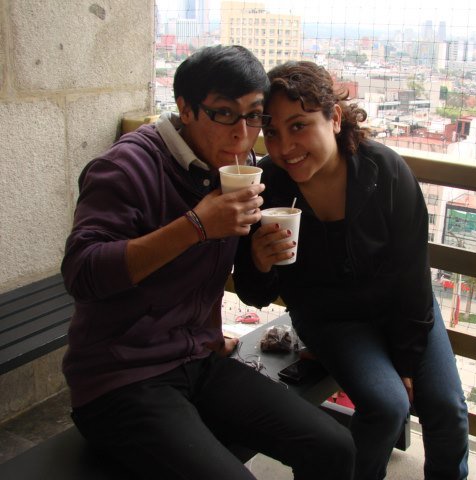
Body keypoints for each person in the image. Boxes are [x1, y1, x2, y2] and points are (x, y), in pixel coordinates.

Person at [61, 46, 355, 480]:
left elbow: (243, 284)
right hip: (120, 377)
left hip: (198, 361)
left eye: (253, 116)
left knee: (334, 447)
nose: (242, 134)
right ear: (185, 109)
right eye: (224, 114)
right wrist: (196, 226)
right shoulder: (127, 167)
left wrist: (259, 259)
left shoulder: (237, 168)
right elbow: (82, 273)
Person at [233, 61, 470, 480]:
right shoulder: (268, 185)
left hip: (402, 305)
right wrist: (259, 259)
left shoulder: (384, 172)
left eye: (299, 125)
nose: (285, 146)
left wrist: (407, 363)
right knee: (387, 405)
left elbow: (412, 275)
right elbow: (254, 293)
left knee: (446, 408)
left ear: (335, 118)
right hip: (330, 318)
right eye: (272, 131)